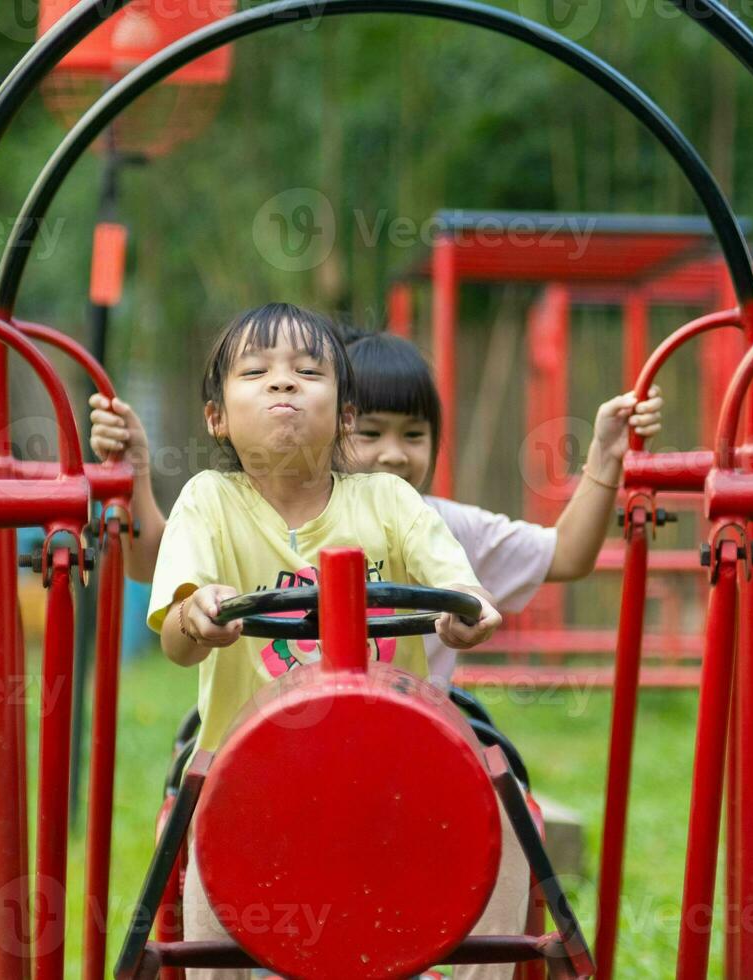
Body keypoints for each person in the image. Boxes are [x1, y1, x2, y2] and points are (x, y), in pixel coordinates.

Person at [104, 302, 508, 980]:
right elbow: (178, 638)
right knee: (211, 900)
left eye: (308, 371)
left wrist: (469, 612)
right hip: (250, 779)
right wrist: (197, 614)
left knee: (497, 839)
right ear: (217, 418)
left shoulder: (388, 501)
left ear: (345, 416)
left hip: (392, 776)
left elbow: (458, 590)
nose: (283, 382)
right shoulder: (209, 502)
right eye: (257, 371)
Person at [343, 331, 663, 687]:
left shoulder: (446, 527)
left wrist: (605, 455)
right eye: (370, 433)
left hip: (416, 732)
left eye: (414, 435)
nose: (394, 454)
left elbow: (568, 554)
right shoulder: (291, 523)